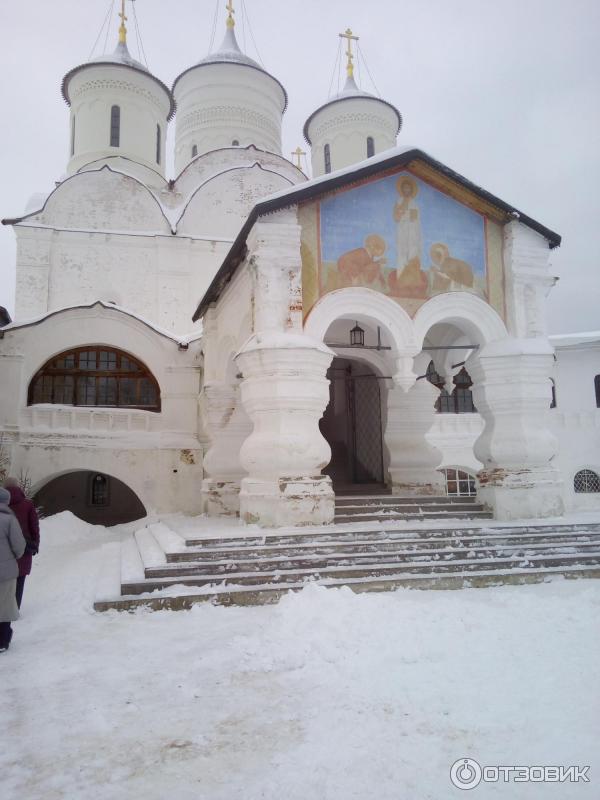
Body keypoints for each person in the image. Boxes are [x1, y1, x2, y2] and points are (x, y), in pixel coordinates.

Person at [5, 478, 40, 609]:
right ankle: (15, 607)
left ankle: (4, 607)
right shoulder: (27, 504)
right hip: (24, 546)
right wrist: (35, 543)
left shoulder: (3, 505)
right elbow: (34, 526)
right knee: (20, 578)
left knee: (5, 578)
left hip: (4, 548)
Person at [0, 486, 26, 652]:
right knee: (4, 605)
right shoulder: (9, 520)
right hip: (5, 572)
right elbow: (19, 546)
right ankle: (2, 641)